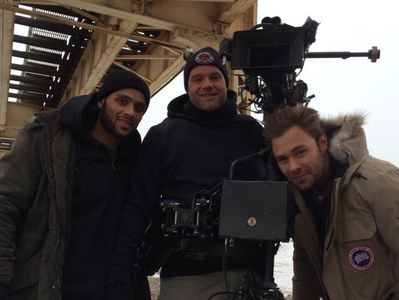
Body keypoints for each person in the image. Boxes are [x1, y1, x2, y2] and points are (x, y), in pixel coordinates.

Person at [107, 47, 269, 300]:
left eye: (215, 77)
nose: (207, 85)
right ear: (187, 87)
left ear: (226, 83)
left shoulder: (251, 132)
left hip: (249, 275)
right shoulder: (163, 135)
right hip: (185, 277)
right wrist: (119, 275)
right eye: (197, 79)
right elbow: (136, 207)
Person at [0, 69, 151, 300]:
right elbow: (5, 204)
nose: (130, 112)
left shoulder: (134, 160)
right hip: (45, 288)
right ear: (101, 101)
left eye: (139, 108)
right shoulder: (47, 137)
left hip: (105, 291)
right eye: (122, 101)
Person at [263, 104, 399, 300]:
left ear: (322, 143)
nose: (293, 167)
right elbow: (305, 271)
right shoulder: (302, 198)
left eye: (300, 152)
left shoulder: (378, 182)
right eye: (283, 159)